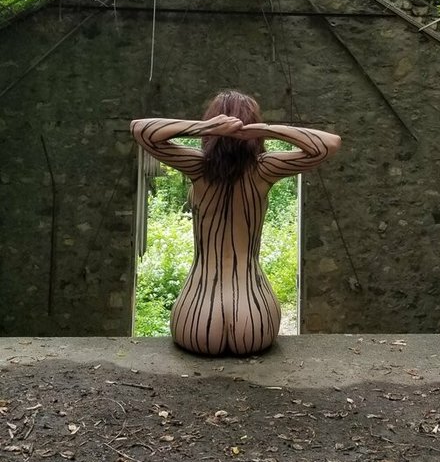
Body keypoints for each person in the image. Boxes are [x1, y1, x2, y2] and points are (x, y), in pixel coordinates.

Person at [130, 90, 341, 356]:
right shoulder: (264, 169)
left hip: (197, 314)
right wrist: (267, 130)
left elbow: (140, 130)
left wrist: (206, 127)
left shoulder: (197, 167)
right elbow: (329, 144)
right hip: (254, 315)